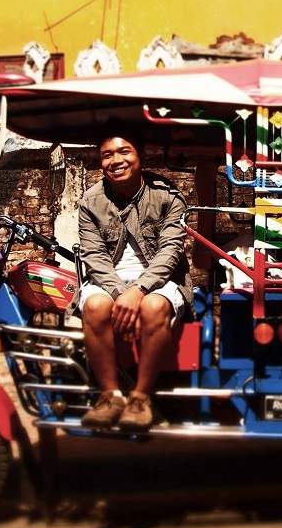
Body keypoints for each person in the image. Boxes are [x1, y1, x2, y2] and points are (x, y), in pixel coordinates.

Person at [75, 132, 193, 431]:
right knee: (95, 306)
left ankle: (140, 398)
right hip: (110, 279)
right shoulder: (91, 200)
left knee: (153, 307)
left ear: (140, 156)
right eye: (107, 155)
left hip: (159, 279)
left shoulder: (168, 195)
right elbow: (93, 254)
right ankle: (110, 395)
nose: (115, 160)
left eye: (123, 151)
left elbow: (170, 251)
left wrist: (139, 290)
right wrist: (119, 292)